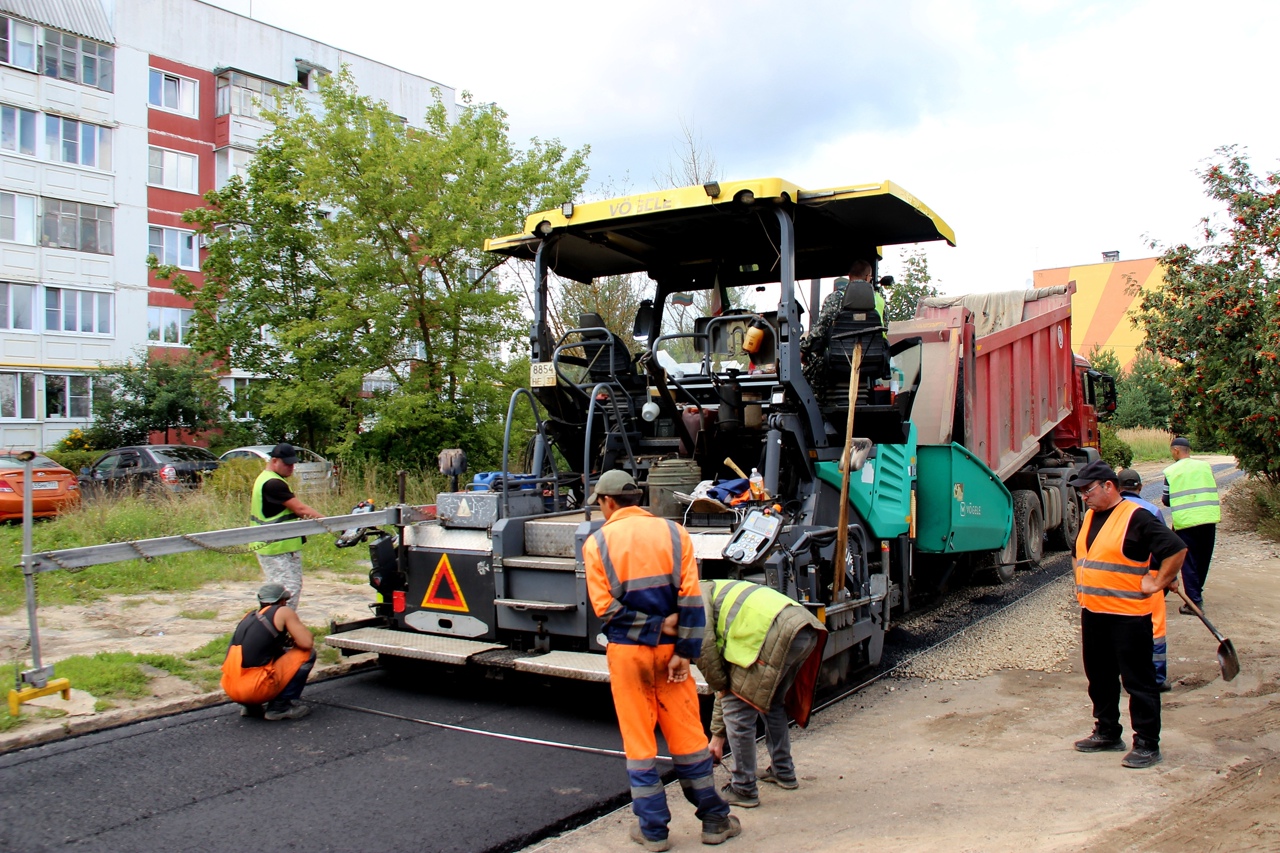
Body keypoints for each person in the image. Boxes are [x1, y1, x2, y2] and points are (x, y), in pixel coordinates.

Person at [582, 469, 740, 851]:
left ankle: (653, 832)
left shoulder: (597, 543)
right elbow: (690, 598)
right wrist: (683, 650)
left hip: (628, 655)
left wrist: (650, 627)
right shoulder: (674, 533)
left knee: (639, 744)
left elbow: (606, 609)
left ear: (607, 501)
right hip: (673, 656)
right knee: (688, 737)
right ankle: (715, 822)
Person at [1069, 460, 1186, 769]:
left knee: (1138, 681)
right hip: (1094, 612)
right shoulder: (1091, 517)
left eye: (1088, 490)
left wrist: (1159, 582)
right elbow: (1078, 556)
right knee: (1099, 677)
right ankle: (1107, 731)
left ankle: (1147, 743)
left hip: (1129, 616)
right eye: (1081, 491)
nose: (1084, 496)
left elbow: (1176, 549)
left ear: (1109, 486)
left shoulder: (1137, 517)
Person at [686, 579, 826, 808]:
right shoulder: (713, 589)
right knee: (773, 703)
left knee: (738, 712)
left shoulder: (692, 601)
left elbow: (708, 655)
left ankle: (744, 788)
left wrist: (717, 731)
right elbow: (726, 673)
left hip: (775, 634)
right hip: (804, 627)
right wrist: (717, 737)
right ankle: (783, 771)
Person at [221, 582, 316, 721]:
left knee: (273, 657)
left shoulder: (249, 616)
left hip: (231, 687)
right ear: (283, 600)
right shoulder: (282, 611)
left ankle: (251, 707)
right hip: (255, 689)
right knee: (307, 653)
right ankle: (280, 707)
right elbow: (306, 642)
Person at [251, 442, 323, 611]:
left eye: (293, 464)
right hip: (276, 547)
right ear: (275, 461)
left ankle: (277, 627)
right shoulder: (273, 484)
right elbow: (300, 509)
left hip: (278, 546)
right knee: (285, 593)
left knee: (286, 590)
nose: (291, 467)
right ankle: (278, 629)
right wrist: (333, 524)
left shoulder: (267, 479)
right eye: (287, 464)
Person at [1117, 468, 1171, 693]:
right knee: (1155, 630)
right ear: (1140, 487)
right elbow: (1165, 549)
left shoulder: (1110, 512)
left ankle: (1126, 676)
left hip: (1117, 582)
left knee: (1121, 628)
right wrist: (1170, 579)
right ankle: (1156, 678)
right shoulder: (1151, 511)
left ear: (1118, 489)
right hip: (1149, 579)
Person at [1162, 436, 1220, 614]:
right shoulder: (1205, 467)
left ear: (1176, 451)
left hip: (1186, 522)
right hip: (1208, 518)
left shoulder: (1171, 471)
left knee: (1188, 562)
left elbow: (1166, 500)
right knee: (1203, 559)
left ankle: (1194, 602)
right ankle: (1196, 594)